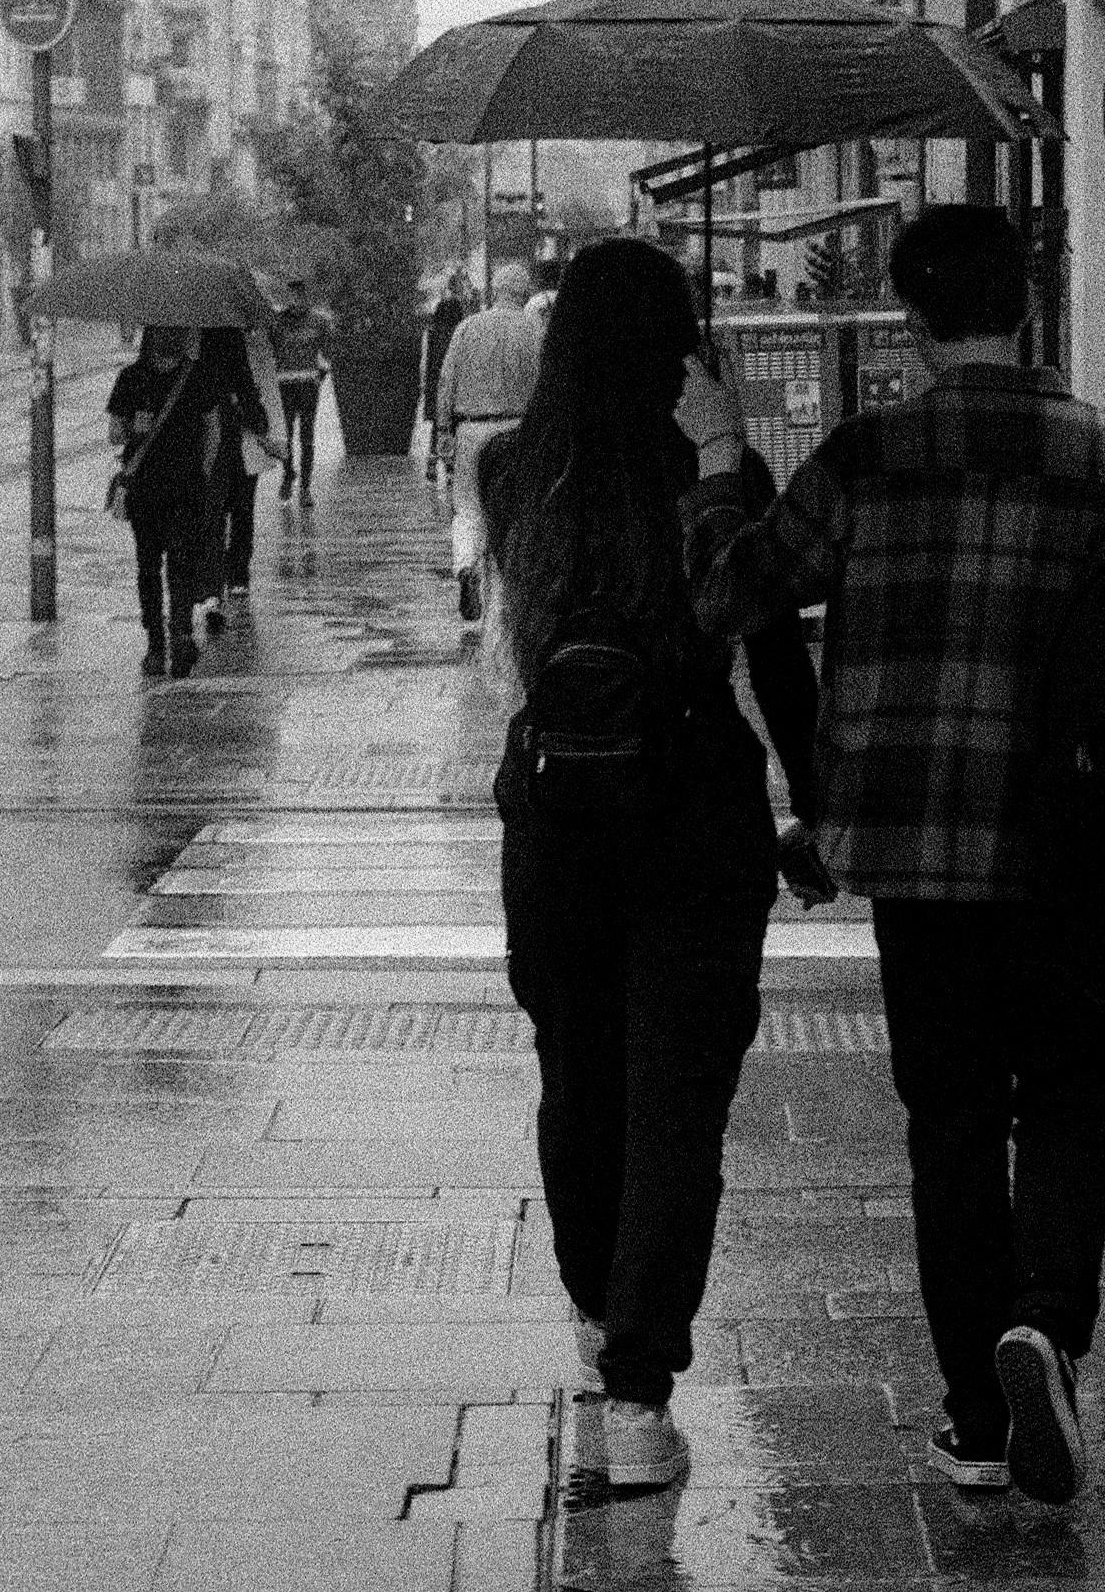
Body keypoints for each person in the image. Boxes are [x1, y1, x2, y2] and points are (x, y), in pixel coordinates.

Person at [674, 203, 1105, 1508]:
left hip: (916, 853)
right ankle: (1047, 1322)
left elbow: (725, 593)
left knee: (954, 1124)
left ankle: (978, 1417)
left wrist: (713, 455)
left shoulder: (867, 455)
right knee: (1075, 1094)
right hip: (1069, 840)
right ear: (1027, 308)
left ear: (911, 327)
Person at [481, 237, 819, 1491]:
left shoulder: (515, 466)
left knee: (577, 1074)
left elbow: (528, 634)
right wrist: (821, 803)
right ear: (681, 338)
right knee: (677, 1100)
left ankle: (596, 1307)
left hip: (558, 806)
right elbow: (763, 640)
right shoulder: (713, 472)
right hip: (692, 806)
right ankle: (636, 1388)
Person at [106, 325, 219, 678]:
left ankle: (158, 644)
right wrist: (201, 470)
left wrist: (132, 428)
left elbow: (114, 434)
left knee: (149, 566)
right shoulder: (197, 375)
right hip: (181, 485)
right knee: (179, 561)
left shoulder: (131, 377)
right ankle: (178, 634)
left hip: (149, 488)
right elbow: (212, 430)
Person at [437, 259, 542, 624]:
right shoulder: (536, 331)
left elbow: (445, 383)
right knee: (520, 508)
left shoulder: (466, 329)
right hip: (519, 431)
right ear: (524, 294)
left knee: (467, 509)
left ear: (495, 292)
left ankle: (466, 568)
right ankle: (513, 585)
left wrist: (444, 433)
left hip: (471, 430)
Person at [197, 327, 284, 627]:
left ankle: (221, 579)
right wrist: (260, 425)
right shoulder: (223, 337)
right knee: (231, 510)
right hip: (224, 441)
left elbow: (254, 387)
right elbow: (248, 387)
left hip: (217, 442)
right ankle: (224, 579)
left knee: (219, 513)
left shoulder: (240, 338)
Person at [269, 278, 331, 507]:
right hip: (284, 384)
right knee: (285, 435)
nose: (295, 300)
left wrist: (320, 374)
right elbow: (268, 350)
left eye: (300, 295)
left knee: (306, 436)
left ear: (306, 296)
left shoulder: (318, 321)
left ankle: (305, 486)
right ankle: (288, 474)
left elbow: (329, 352)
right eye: (292, 295)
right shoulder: (277, 322)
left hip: (306, 383)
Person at [421, 271, 472, 482]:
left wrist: (424, 384)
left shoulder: (432, 333)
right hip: (456, 385)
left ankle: (432, 462)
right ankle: (451, 469)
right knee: (454, 424)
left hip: (435, 384)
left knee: (437, 425)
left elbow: (425, 361)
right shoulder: (461, 332)